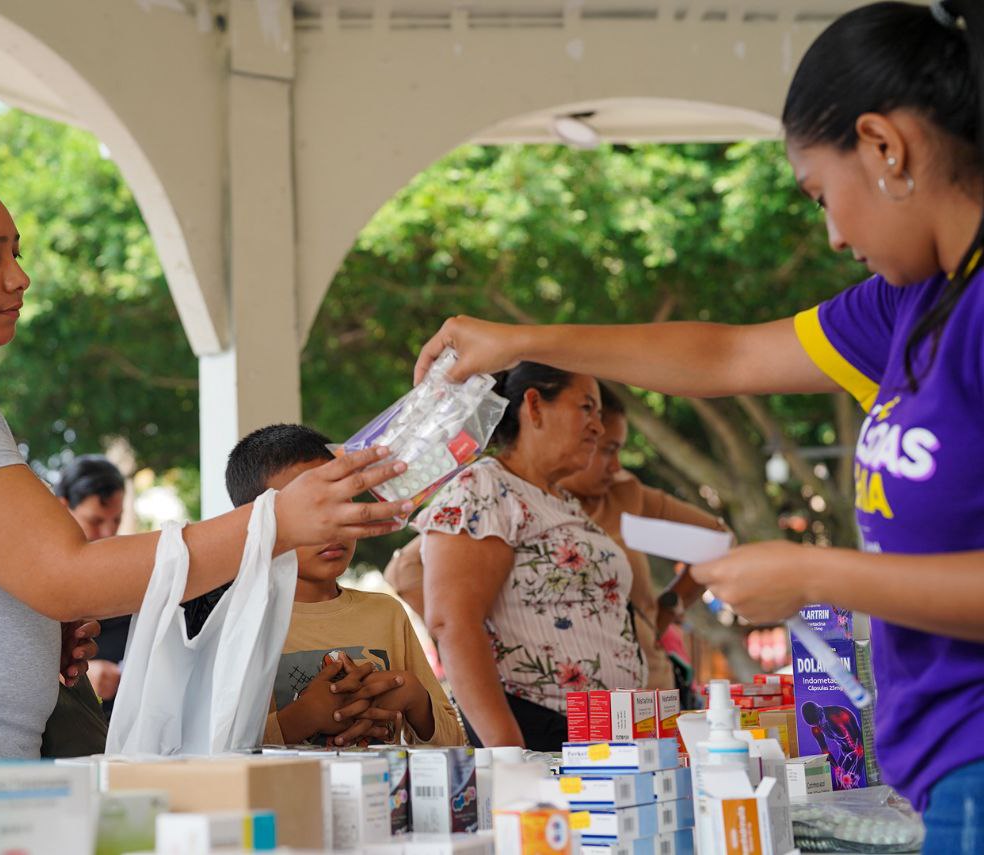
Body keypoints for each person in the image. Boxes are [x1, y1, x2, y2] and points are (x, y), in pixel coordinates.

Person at [413, 2, 984, 845]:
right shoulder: (907, 304)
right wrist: (523, 338)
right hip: (940, 769)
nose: (831, 234)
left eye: (823, 194)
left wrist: (817, 572)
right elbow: (722, 359)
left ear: (885, 147)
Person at [0, 162, 408, 761]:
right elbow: (67, 573)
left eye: (17, 254)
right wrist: (274, 520)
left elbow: (14, 575)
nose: (20, 278)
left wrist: (32, 627)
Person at [415, 364, 645, 750]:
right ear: (534, 406)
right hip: (537, 730)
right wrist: (507, 750)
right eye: (587, 408)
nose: (598, 427)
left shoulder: (559, 500)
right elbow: (453, 623)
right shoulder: (484, 489)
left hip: (600, 733)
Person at [223, 424, 464, 748]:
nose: (332, 526)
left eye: (340, 504)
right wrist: (301, 718)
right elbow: (215, 752)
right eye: (311, 511)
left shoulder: (385, 613)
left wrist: (414, 697)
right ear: (255, 523)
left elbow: (456, 748)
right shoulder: (239, 624)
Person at [556, 384, 726, 690]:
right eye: (608, 449)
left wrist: (667, 609)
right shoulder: (517, 500)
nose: (617, 465)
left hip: (650, 690)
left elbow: (715, 538)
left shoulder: (624, 493)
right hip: (568, 710)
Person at [55, 455, 129, 711]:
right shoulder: (40, 583)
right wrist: (77, 679)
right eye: (96, 521)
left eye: (116, 520)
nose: (109, 533)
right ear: (63, 508)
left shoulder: (127, 576)